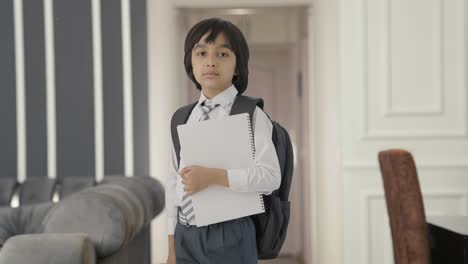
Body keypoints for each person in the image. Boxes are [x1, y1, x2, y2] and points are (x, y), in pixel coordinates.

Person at [166, 17, 281, 264]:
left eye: (223, 54)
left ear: (238, 66)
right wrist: (172, 245)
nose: (210, 61)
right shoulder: (182, 118)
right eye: (201, 53)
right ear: (191, 62)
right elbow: (173, 182)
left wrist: (213, 177)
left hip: (231, 233)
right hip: (186, 234)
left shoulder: (250, 114)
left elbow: (270, 177)